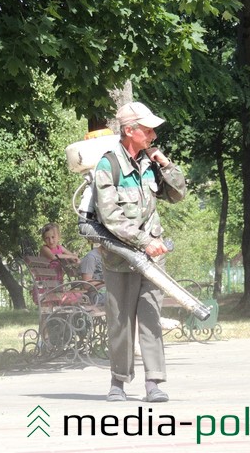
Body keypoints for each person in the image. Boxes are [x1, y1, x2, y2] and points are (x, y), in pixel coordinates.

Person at [93, 101, 186, 402]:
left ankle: (153, 383)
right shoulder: (109, 165)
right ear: (130, 130)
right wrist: (143, 242)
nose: (153, 136)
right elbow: (110, 217)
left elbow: (178, 194)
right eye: (147, 131)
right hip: (121, 257)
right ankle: (118, 382)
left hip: (152, 259)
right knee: (120, 322)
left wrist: (166, 164)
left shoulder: (149, 163)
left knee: (150, 317)